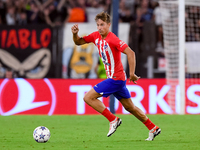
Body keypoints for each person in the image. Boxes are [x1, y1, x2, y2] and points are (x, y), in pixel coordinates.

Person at [71, 12, 161, 141]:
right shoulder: (95, 36)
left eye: (102, 25)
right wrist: (75, 34)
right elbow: (78, 42)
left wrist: (132, 73)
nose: (99, 27)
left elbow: (130, 53)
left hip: (116, 78)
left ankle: (113, 119)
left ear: (108, 25)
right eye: (97, 25)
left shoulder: (113, 39)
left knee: (88, 97)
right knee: (130, 107)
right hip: (117, 79)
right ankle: (153, 128)